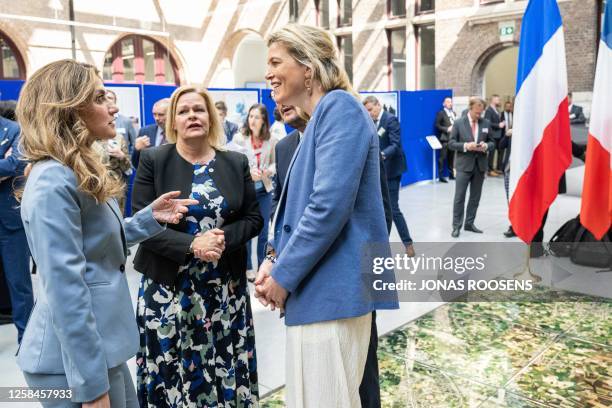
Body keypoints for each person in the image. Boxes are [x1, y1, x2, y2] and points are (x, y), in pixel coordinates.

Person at [15, 59, 196, 408]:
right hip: (71, 364)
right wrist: (91, 388)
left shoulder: (71, 170)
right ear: (70, 110)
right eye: (100, 98)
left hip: (97, 349)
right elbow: (66, 289)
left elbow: (93, 244)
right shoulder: (54, 180)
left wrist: (148, 219)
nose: (113, 107)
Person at [257, 24, 399, 408]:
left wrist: (282, 277)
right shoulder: (318, 120)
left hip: (334, 292)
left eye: (275, 61)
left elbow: (327, 208)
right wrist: (274, 261)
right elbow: (300, 208)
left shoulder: (340, 108)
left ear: (307, 66)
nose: (267, 73)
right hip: (319, 292)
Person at [131, 85, 263, 407]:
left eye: (199, 109)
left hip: (223, 294)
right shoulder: (153, 160)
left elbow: (253, 217)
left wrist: (220, 239)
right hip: (167, 293)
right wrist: (192, 244)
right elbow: (142, 224)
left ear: (211, 117)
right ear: (172, 121)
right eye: (184, 110)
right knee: (171, 377)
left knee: (223, 371)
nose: (192, 115)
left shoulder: (235, 162)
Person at [363, 95, 414, 257]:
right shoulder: (370, 123)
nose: (369, 113)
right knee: (380, 210)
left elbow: (395, 145)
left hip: (392, 171)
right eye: (366, 111)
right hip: (377, 171)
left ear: (378, 105)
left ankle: (408, 243)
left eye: (370, 110)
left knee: (392, 208)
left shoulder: (390, 120)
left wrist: (382, 155)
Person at [0, 113, 33, 344]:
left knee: (19, 283)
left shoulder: (15, 130)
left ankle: (27, 340)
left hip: (10, 222)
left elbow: (16, 164)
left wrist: (8, 165)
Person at [233, 103, 275, 273]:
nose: (252, 120)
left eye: (257, 117)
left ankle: (261, 267)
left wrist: (268, 171)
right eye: (250, 116)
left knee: (264, 231)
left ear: (264, 120)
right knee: (247, 230)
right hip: (245, 191)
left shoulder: (271, 140)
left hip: (264, 190)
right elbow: (234, 163)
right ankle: (248, 268)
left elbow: (275, 163)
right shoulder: (239, 138)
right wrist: (248, 172)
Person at [449, 97, 494, 238]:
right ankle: (456, 226)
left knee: (475, 197)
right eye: (477, 112)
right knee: (459, 197)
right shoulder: (458, 123)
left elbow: (493, 142)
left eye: (481, 113)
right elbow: (451, 143)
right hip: (463, 165)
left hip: (479, 166)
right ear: (470, 108)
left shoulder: (486, 123)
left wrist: (486, 146)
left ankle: (469, 223)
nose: (479, 115)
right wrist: (465, 146)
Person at [132, 98, 170, 168]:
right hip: (152, 177)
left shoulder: (181, 132)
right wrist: (137, 149)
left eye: (161, 115)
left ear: (171, 114)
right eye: (154, 114)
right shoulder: (145, 131)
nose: (156, 118)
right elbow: (136, 164)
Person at [105, 89, 137, 154]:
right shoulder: (98, 120)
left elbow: (134, 144)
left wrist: (128, 159)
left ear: (115, 101)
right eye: (104, 98)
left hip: (122, 161)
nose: (107, 100)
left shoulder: (126, 121)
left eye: (110, 98)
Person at [435, 96, 457, 182]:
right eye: (448, 102)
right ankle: (440, 176)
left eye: (451, 102)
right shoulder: (441, 113)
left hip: (453, 139)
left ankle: (451, 174)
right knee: (442, 157)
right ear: (444, 103)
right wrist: (446, 129)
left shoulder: (453, 113)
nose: (450, 103)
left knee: (451, 158)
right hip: (445, 139)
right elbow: (437, 125)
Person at [484, 94, 505, 176]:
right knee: (491, 153)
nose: (499, 100)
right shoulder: (489, 110)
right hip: (492, 134)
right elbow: (487, 122)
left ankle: (493, 168)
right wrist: (498, 125)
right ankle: (489, 170)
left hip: (498, 135)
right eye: (497, 99)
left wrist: (502, 123)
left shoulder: (496, 109)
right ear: (492, 100)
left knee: (496, 152)